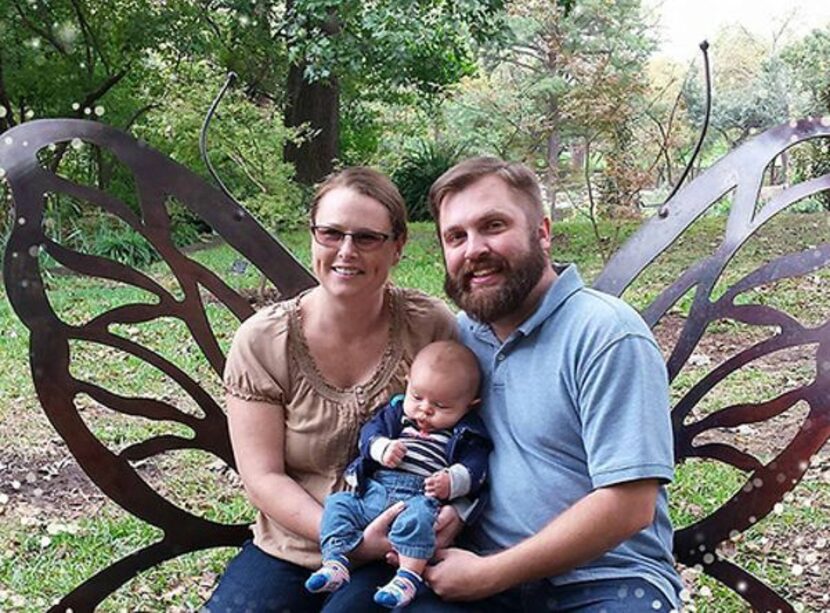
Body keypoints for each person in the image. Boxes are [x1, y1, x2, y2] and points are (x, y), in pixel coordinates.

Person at [421, 157, 684, 612]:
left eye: (493, 225)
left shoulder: (606, 333)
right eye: (456, 237)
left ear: (542, 231)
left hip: (606, 580)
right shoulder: (461, 338)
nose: (474, 249)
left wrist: (489, 574)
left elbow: (629, 504)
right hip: (480, 569)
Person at [204, 167, 459, 613]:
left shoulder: (430, 327)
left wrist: (457, 514)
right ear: (312, 237)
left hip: (401, 549)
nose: (346, 251)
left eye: (366, 237)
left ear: (398, 246)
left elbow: (469, 433)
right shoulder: (264, 341)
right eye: (331, 233)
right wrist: (349, 540)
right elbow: (263, 477)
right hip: (295, 544)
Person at [305, 340, 490, 609]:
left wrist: (453, 481)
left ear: (469, 406)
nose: (424, 409)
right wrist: (382, 448)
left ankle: (407, 577)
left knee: (420, 520)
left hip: (419, 498)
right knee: (338, 505)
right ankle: (335, 561)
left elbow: (477, 467)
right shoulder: (396, 415)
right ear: (407, 384)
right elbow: (368, 435)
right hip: (374, 493)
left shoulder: (466, 433)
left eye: (441, 405)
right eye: (417, 397)